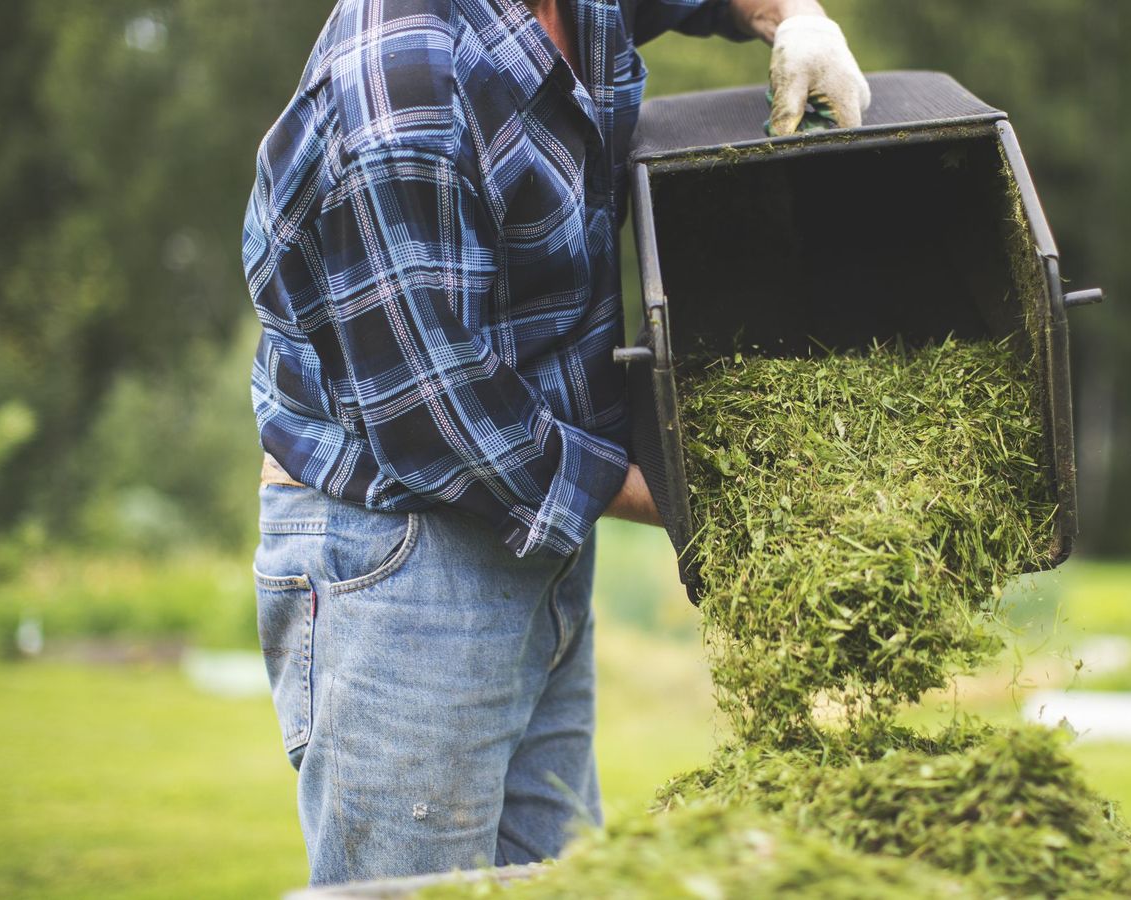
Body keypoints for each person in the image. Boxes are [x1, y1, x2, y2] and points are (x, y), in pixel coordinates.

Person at [242, 0, 869, 885]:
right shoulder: (400, 80)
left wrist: (794, 18)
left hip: (540, 533)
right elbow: (439, 413)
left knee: (562, 881)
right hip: (406, 560)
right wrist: (692, 497)